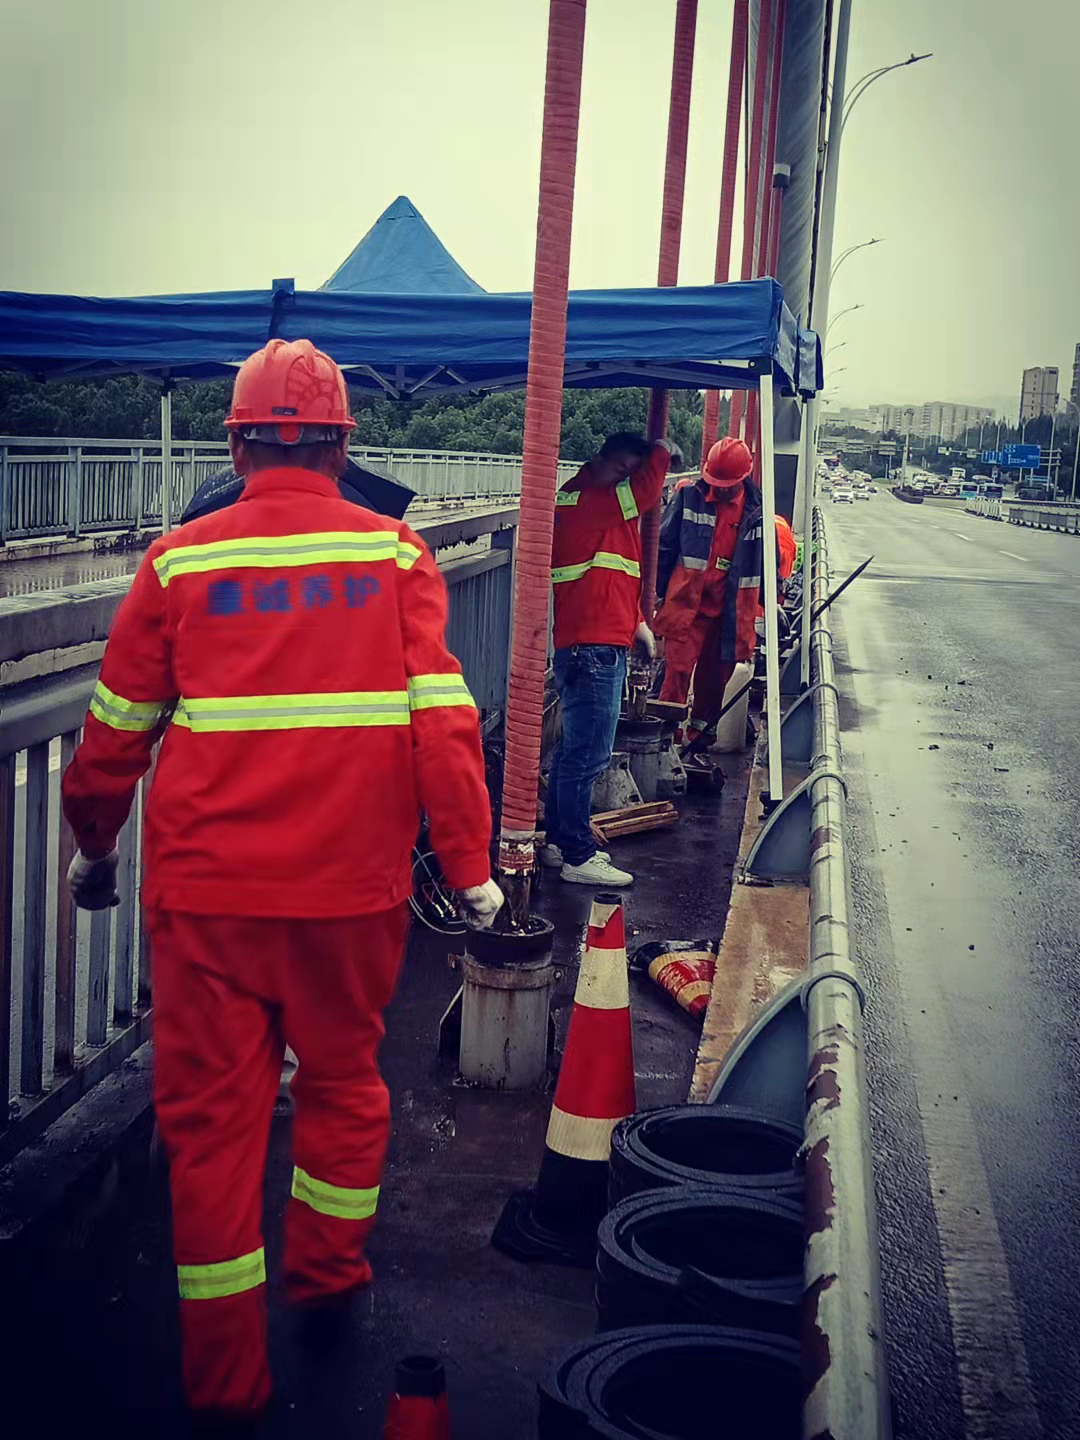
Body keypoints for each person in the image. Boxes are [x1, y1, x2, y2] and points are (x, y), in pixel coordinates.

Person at [61, 338, 503, 1427]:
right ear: (343, 447)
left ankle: (226, 1384)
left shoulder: (178, 564)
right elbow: (445, 724)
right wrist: (469, 868)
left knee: (213, 1129)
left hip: (206, 899)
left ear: (237, 447)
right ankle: (328, 1280)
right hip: (350, 895)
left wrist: (95, 846)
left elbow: (113, 734)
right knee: (345, 1085)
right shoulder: (395, 555)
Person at [541, 430, 681, 886]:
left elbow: (612, 574)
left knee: (574, 753)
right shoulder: (589, 499)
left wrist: (636, 622)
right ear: (598, 458)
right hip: (592, 647)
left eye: (629, 474)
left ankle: (561, 843)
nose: (626, 481)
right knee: (587, 756)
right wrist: (662, 452)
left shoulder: (601, 506)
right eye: (621, 470)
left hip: (595, 640)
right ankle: (578, 855)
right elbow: (644, 493)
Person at [654, 435, 794, 749]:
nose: (719, 489)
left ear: (742, 478)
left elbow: (768, 564)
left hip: (730, 614)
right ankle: (664, 741)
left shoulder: (759, 513)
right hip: (686, 607)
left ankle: (699, 741)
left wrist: (773, 603)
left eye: (725, 484)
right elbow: (665, 547)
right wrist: (655, 595)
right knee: (676, 673)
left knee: (714, 681)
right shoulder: (689, 497)